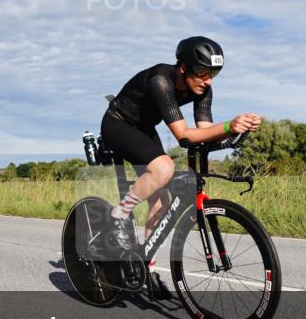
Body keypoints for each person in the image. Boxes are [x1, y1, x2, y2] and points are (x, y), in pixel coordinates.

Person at [101, 36, 261, 250]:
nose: (208, 81)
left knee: (161, 204)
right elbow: (184, 136)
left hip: (145, 128)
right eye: (203, 74)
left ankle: (146, 267)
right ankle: (118, 214)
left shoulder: (203, 89)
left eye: (213, 75)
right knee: (163, 168)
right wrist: (227, 127)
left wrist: (235, 133)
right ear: (184, 67)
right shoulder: (161, 81)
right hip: (118, 123)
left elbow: (204, 133)